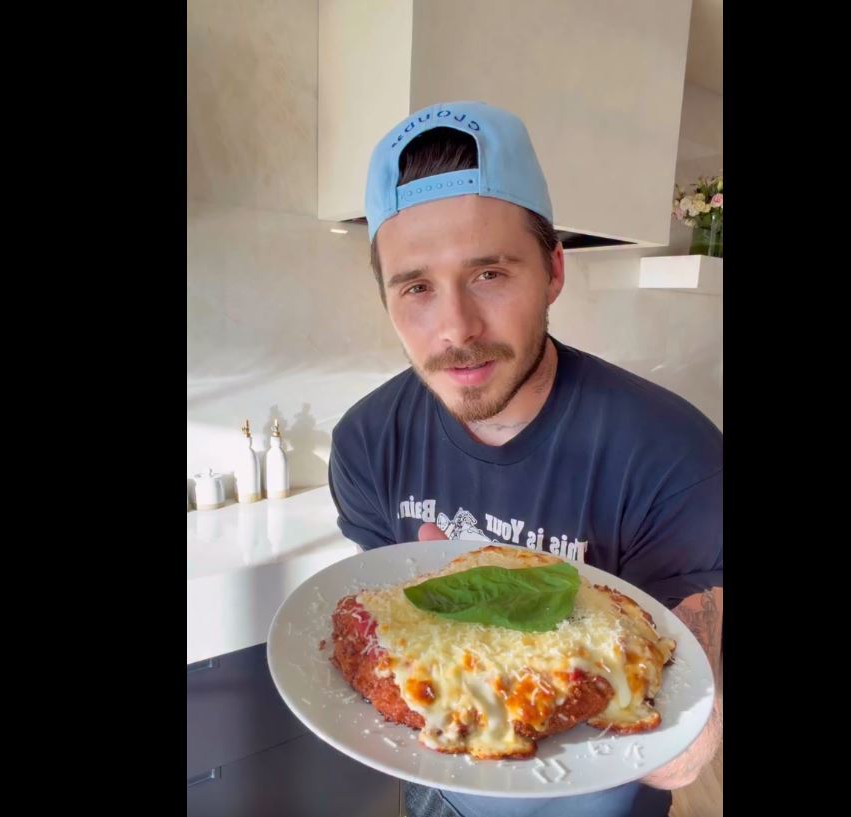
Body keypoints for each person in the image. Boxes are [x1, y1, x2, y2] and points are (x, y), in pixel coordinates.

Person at [328, 100, 722, 817]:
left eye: (489, 273)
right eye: (416, 287)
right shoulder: (366, 442)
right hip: (438, 789)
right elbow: (394, 636)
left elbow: (687, 731)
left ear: (552, 271)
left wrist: (676, 721)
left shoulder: (674, 455)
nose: (456, 329)